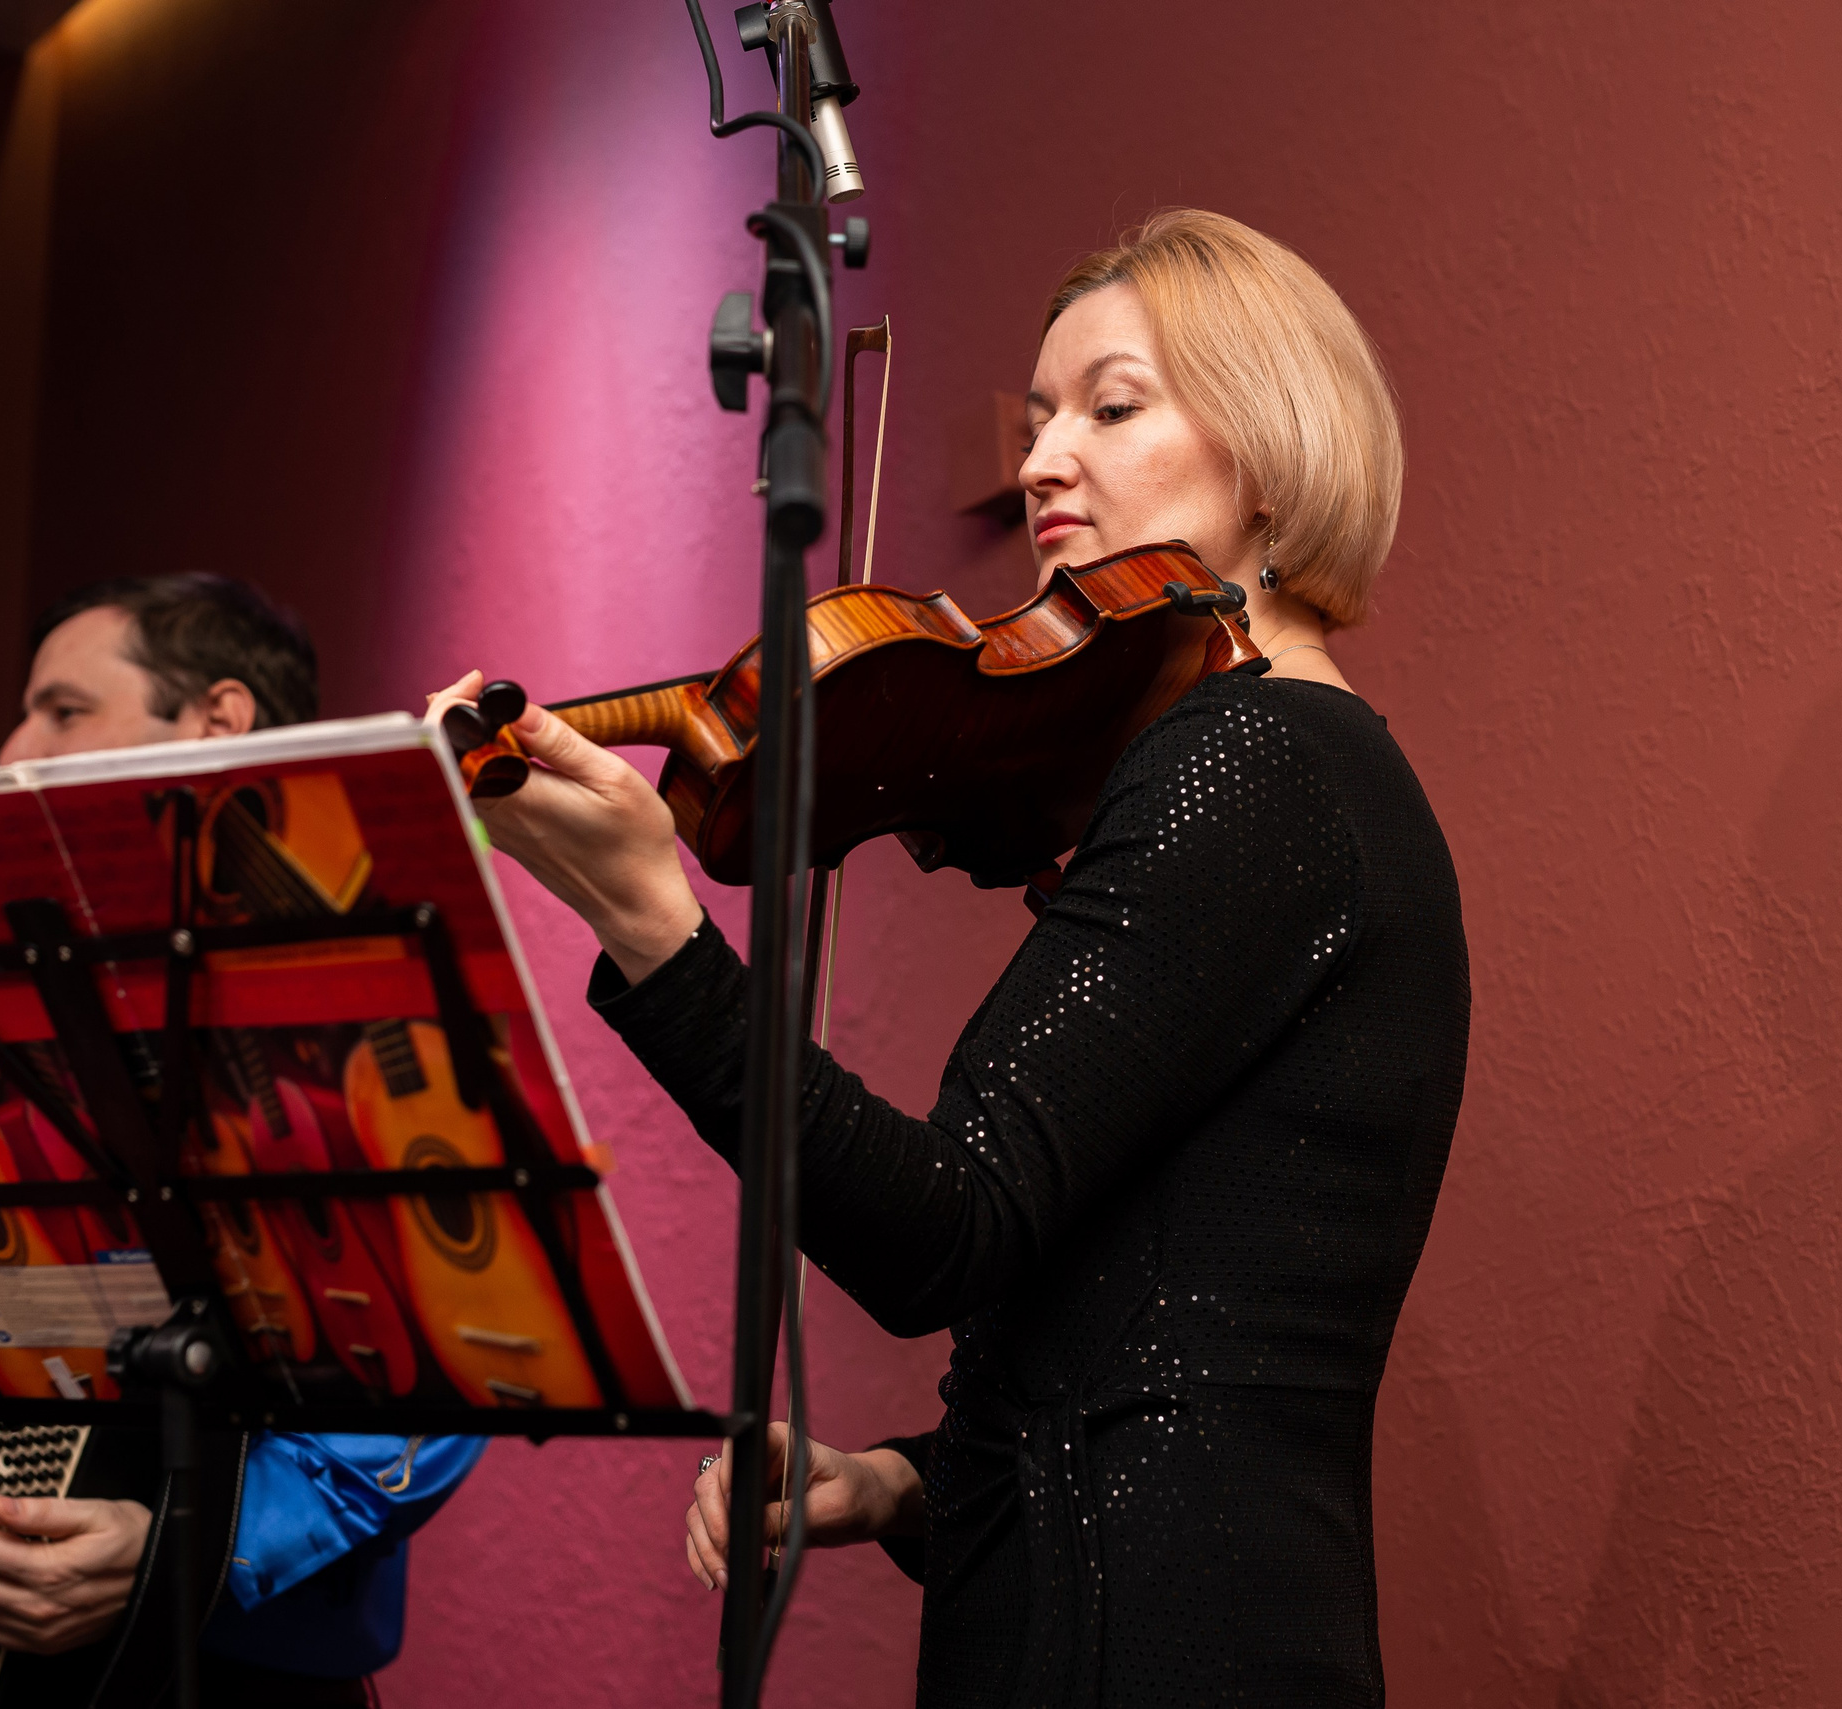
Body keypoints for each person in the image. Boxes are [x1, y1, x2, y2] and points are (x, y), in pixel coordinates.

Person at [432, 209, 1467, 1705]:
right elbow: (1158, 1315)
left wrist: (656, 932)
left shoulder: (1252, 760)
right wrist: (904, 1483)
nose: (1044, 457)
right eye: (1044, 414)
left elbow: (950, 1227)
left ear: (1272, 437)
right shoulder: (1305, 770)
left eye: (1112, 408)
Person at [0, 573, 485, 1707]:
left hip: (240, 1672)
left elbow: (462, 1340)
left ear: (217, 720)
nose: (8, 751)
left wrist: (195, 1543)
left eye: (64, 709)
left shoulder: (360, 1003)